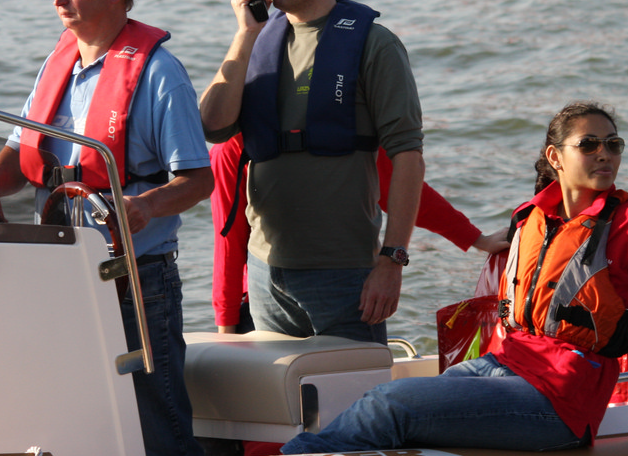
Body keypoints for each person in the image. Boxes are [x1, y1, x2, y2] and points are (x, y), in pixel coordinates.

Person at [279, 102, 628, 456]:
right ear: (555, 157)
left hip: (560, 400)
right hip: (501, 366)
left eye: (613, 144)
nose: (605, 154)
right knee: (384, 407)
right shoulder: (530, 218)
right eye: (589, 144)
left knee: (390, 404)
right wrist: (476, 239)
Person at [0, 0, 213, 456]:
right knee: (75, 414)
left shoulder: (160, 74)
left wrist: (144, 206)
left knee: (160, 422)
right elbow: (21, 147)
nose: (59, 0)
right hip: (59, 273)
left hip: (137, 281)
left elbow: (199, 180)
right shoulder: (57, 65)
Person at [200, 0, 424, 344]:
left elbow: (408, 157)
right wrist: (244, 36)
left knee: (352, 388)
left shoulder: (375, 45)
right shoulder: (257, 40)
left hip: (344, 274)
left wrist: (391, 261)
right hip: (265, 272)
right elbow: (213, 126)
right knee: (278, 390)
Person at [210, 133, 507, 332]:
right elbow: (396, 183)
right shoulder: (335, 119)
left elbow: (228, 241)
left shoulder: (232, 144)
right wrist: (227, 328)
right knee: (354, 393)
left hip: (268, 295)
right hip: (313, 290)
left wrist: (473, 238)